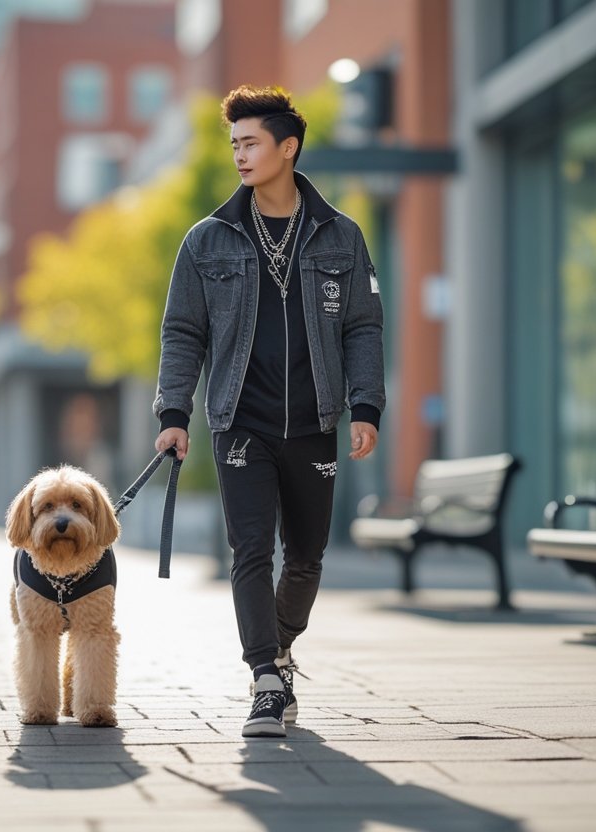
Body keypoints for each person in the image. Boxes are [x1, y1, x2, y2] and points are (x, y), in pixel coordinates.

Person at [153, 85, 385, 738]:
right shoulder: (208, 241)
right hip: (239, 421)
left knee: (307, 555)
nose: (240, 154)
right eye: (234, 144)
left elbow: (364, 326)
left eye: (251, 142)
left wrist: (366, 403)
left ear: (288, 148)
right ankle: (264, 678)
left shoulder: (342, 235)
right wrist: (174, 412)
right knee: (250, 549)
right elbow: (182, 332)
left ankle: (279, 649)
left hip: (315, 420)